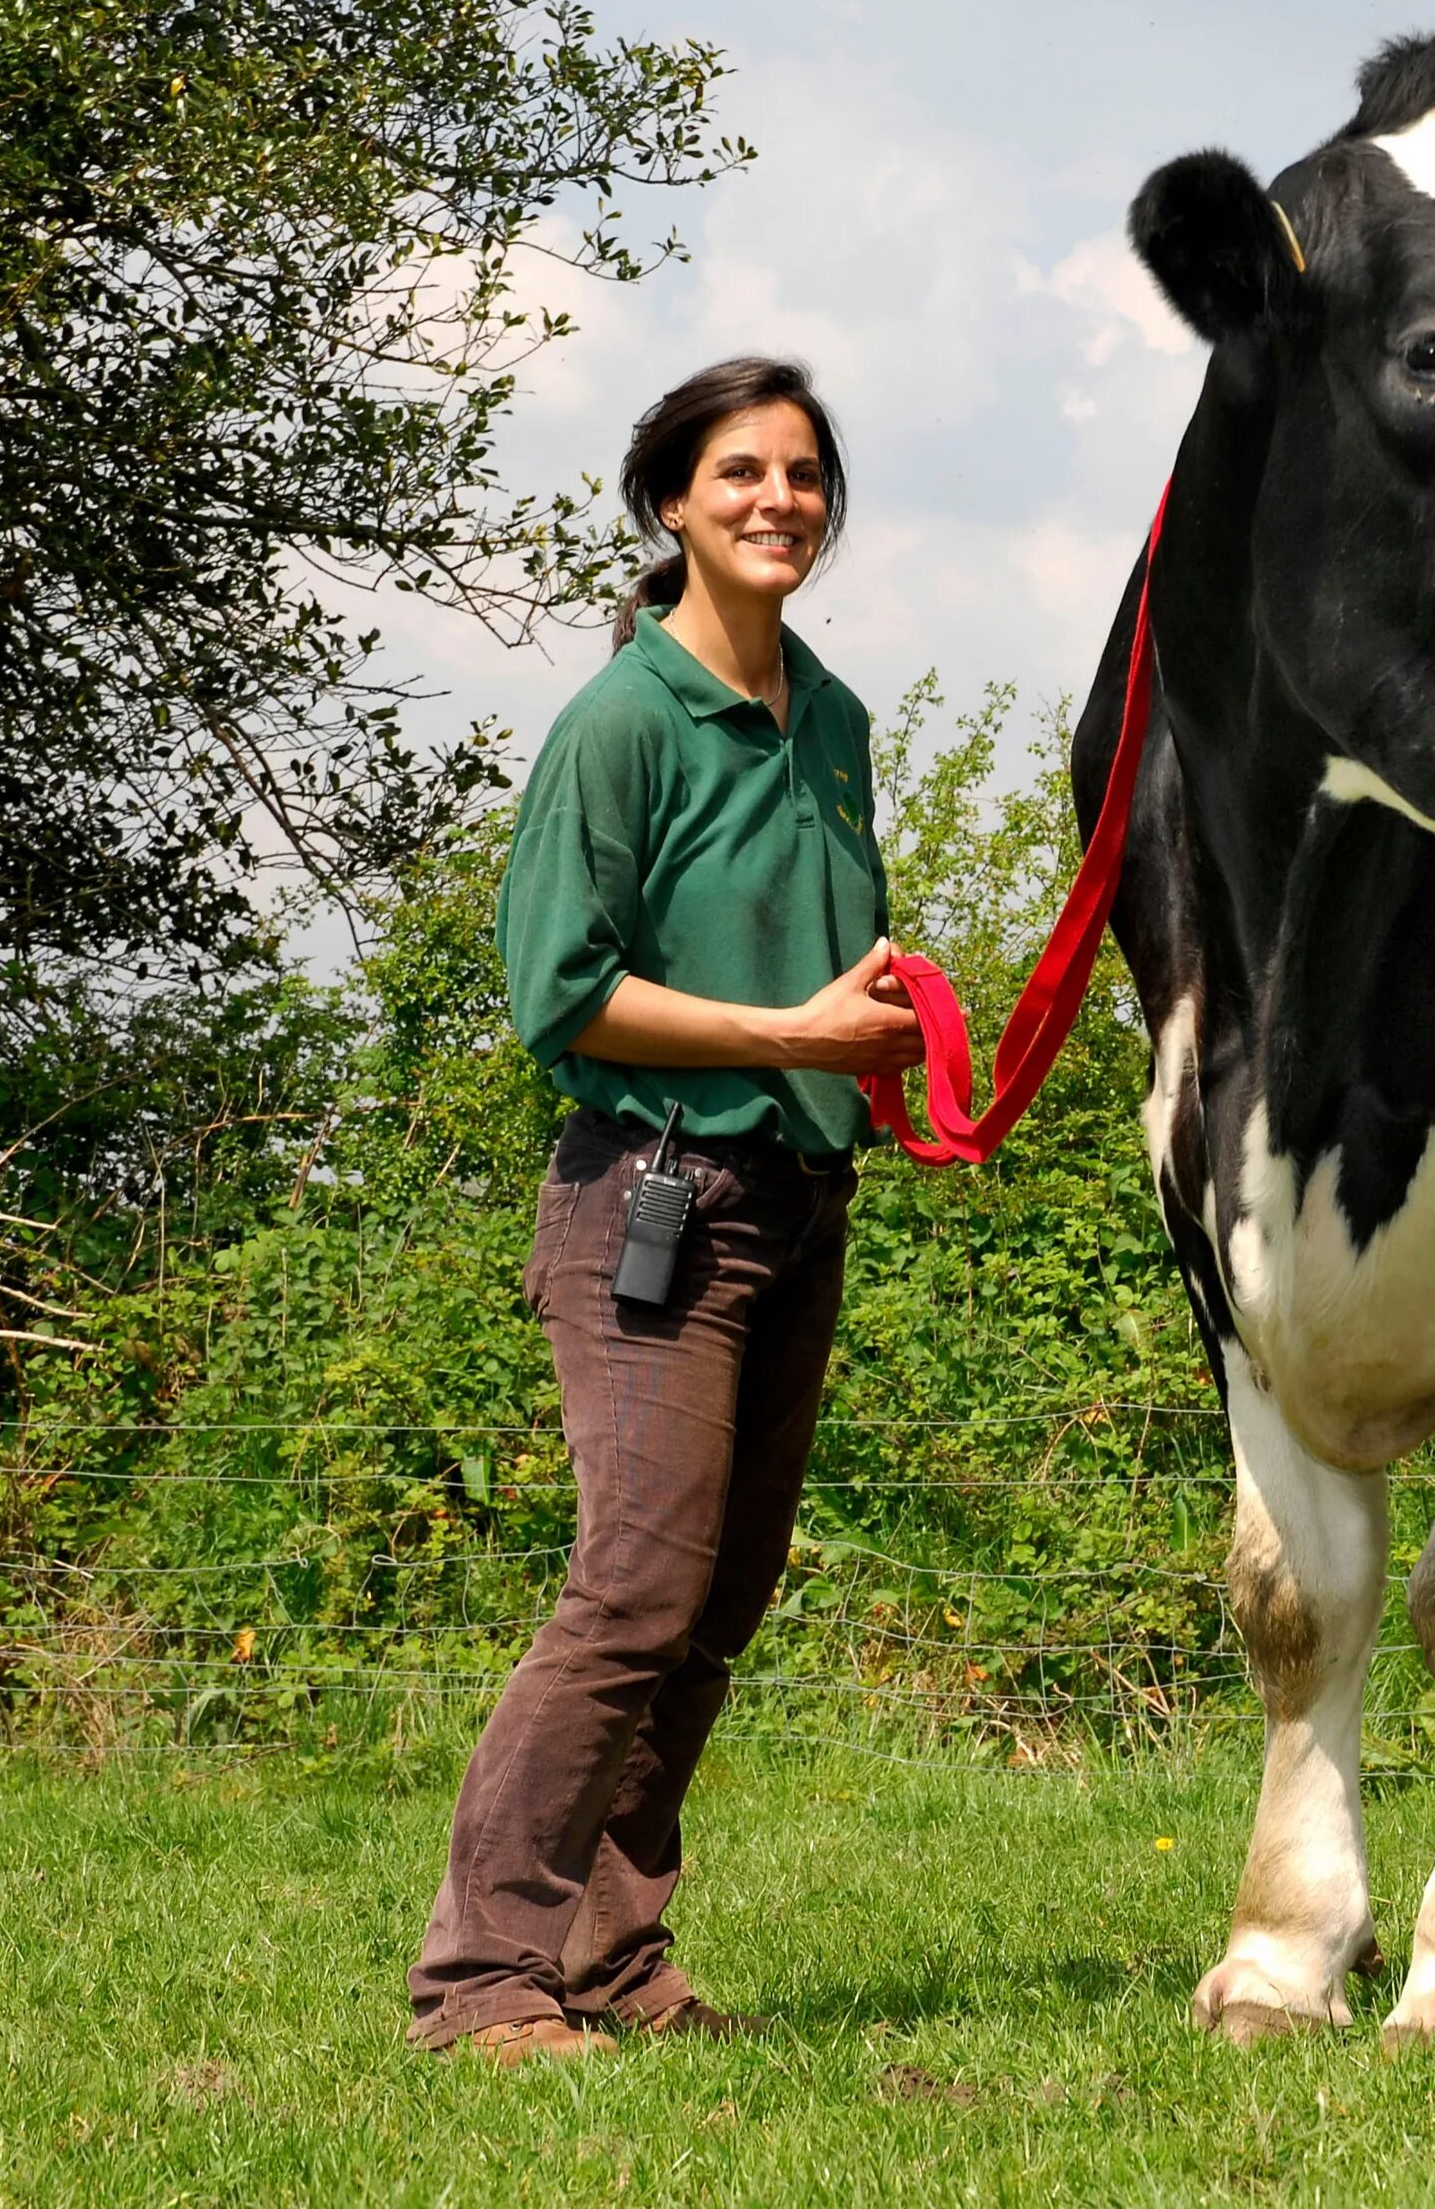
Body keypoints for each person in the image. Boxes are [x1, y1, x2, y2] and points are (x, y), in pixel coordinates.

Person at [405, 357, 922, 2065]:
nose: (782, 500)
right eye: (742, 473)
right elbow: (560, 995)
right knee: (632, 1588)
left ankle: (615, 1959)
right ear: (672, 505)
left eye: (804, 475)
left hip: (799, 1197)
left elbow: (815, 962)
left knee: (718, 1597)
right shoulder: (621, 726)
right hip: (651, 1197)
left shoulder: (830, 721)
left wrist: (876, 1030)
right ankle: (480, 1979)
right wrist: (789, 1034)